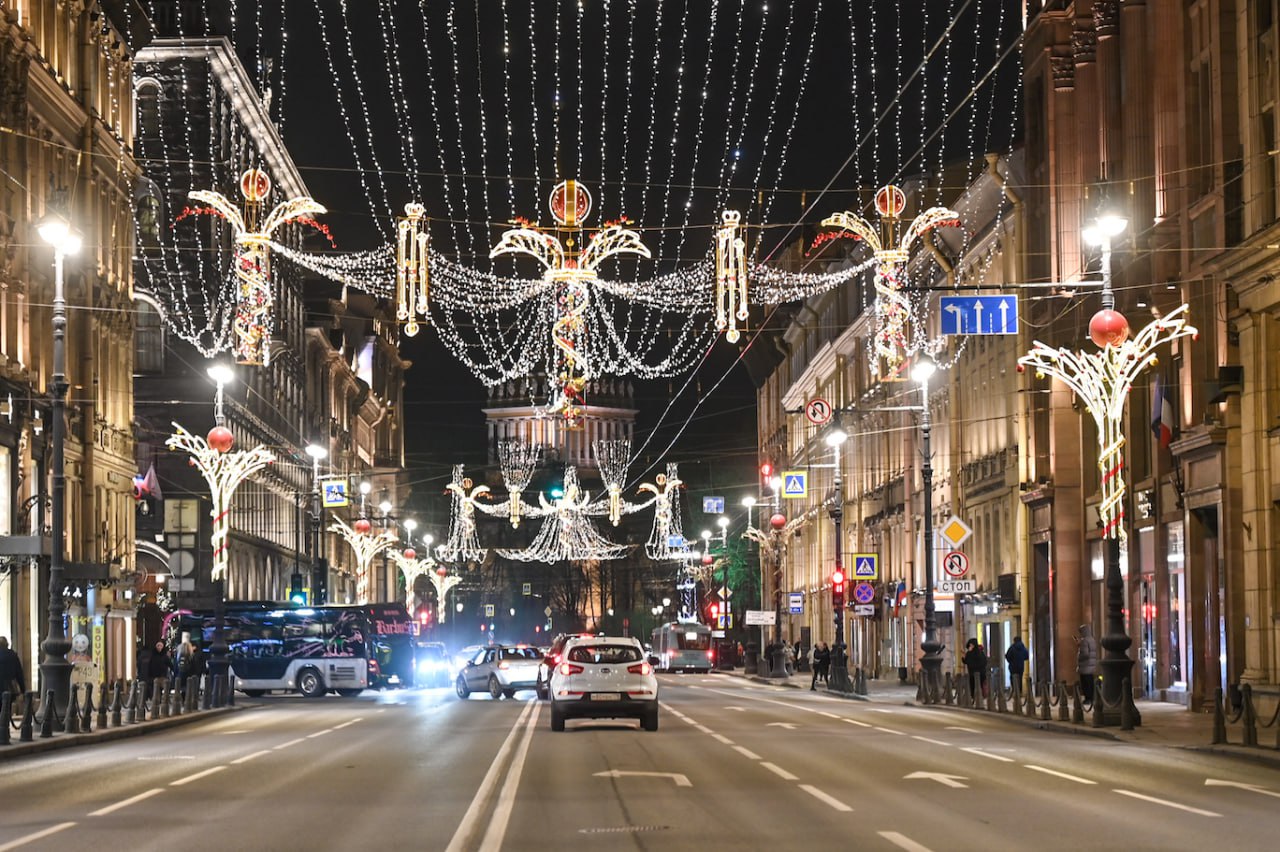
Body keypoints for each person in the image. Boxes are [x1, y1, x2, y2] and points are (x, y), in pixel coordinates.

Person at [0, 637, 25, 706]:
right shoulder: (13, 655)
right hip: (10, 688)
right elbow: (19, 674)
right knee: (7, 709)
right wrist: (23, 689)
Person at [1076, 624, 1098, 703]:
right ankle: (1092, 698)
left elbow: (1085, 654)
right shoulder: (1092, 640)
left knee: (1085, 683)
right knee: (1090, 682)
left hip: (1085, 666)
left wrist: (1079, 650)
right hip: (1091, 665)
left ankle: (1088, 698)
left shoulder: (1084, 641)